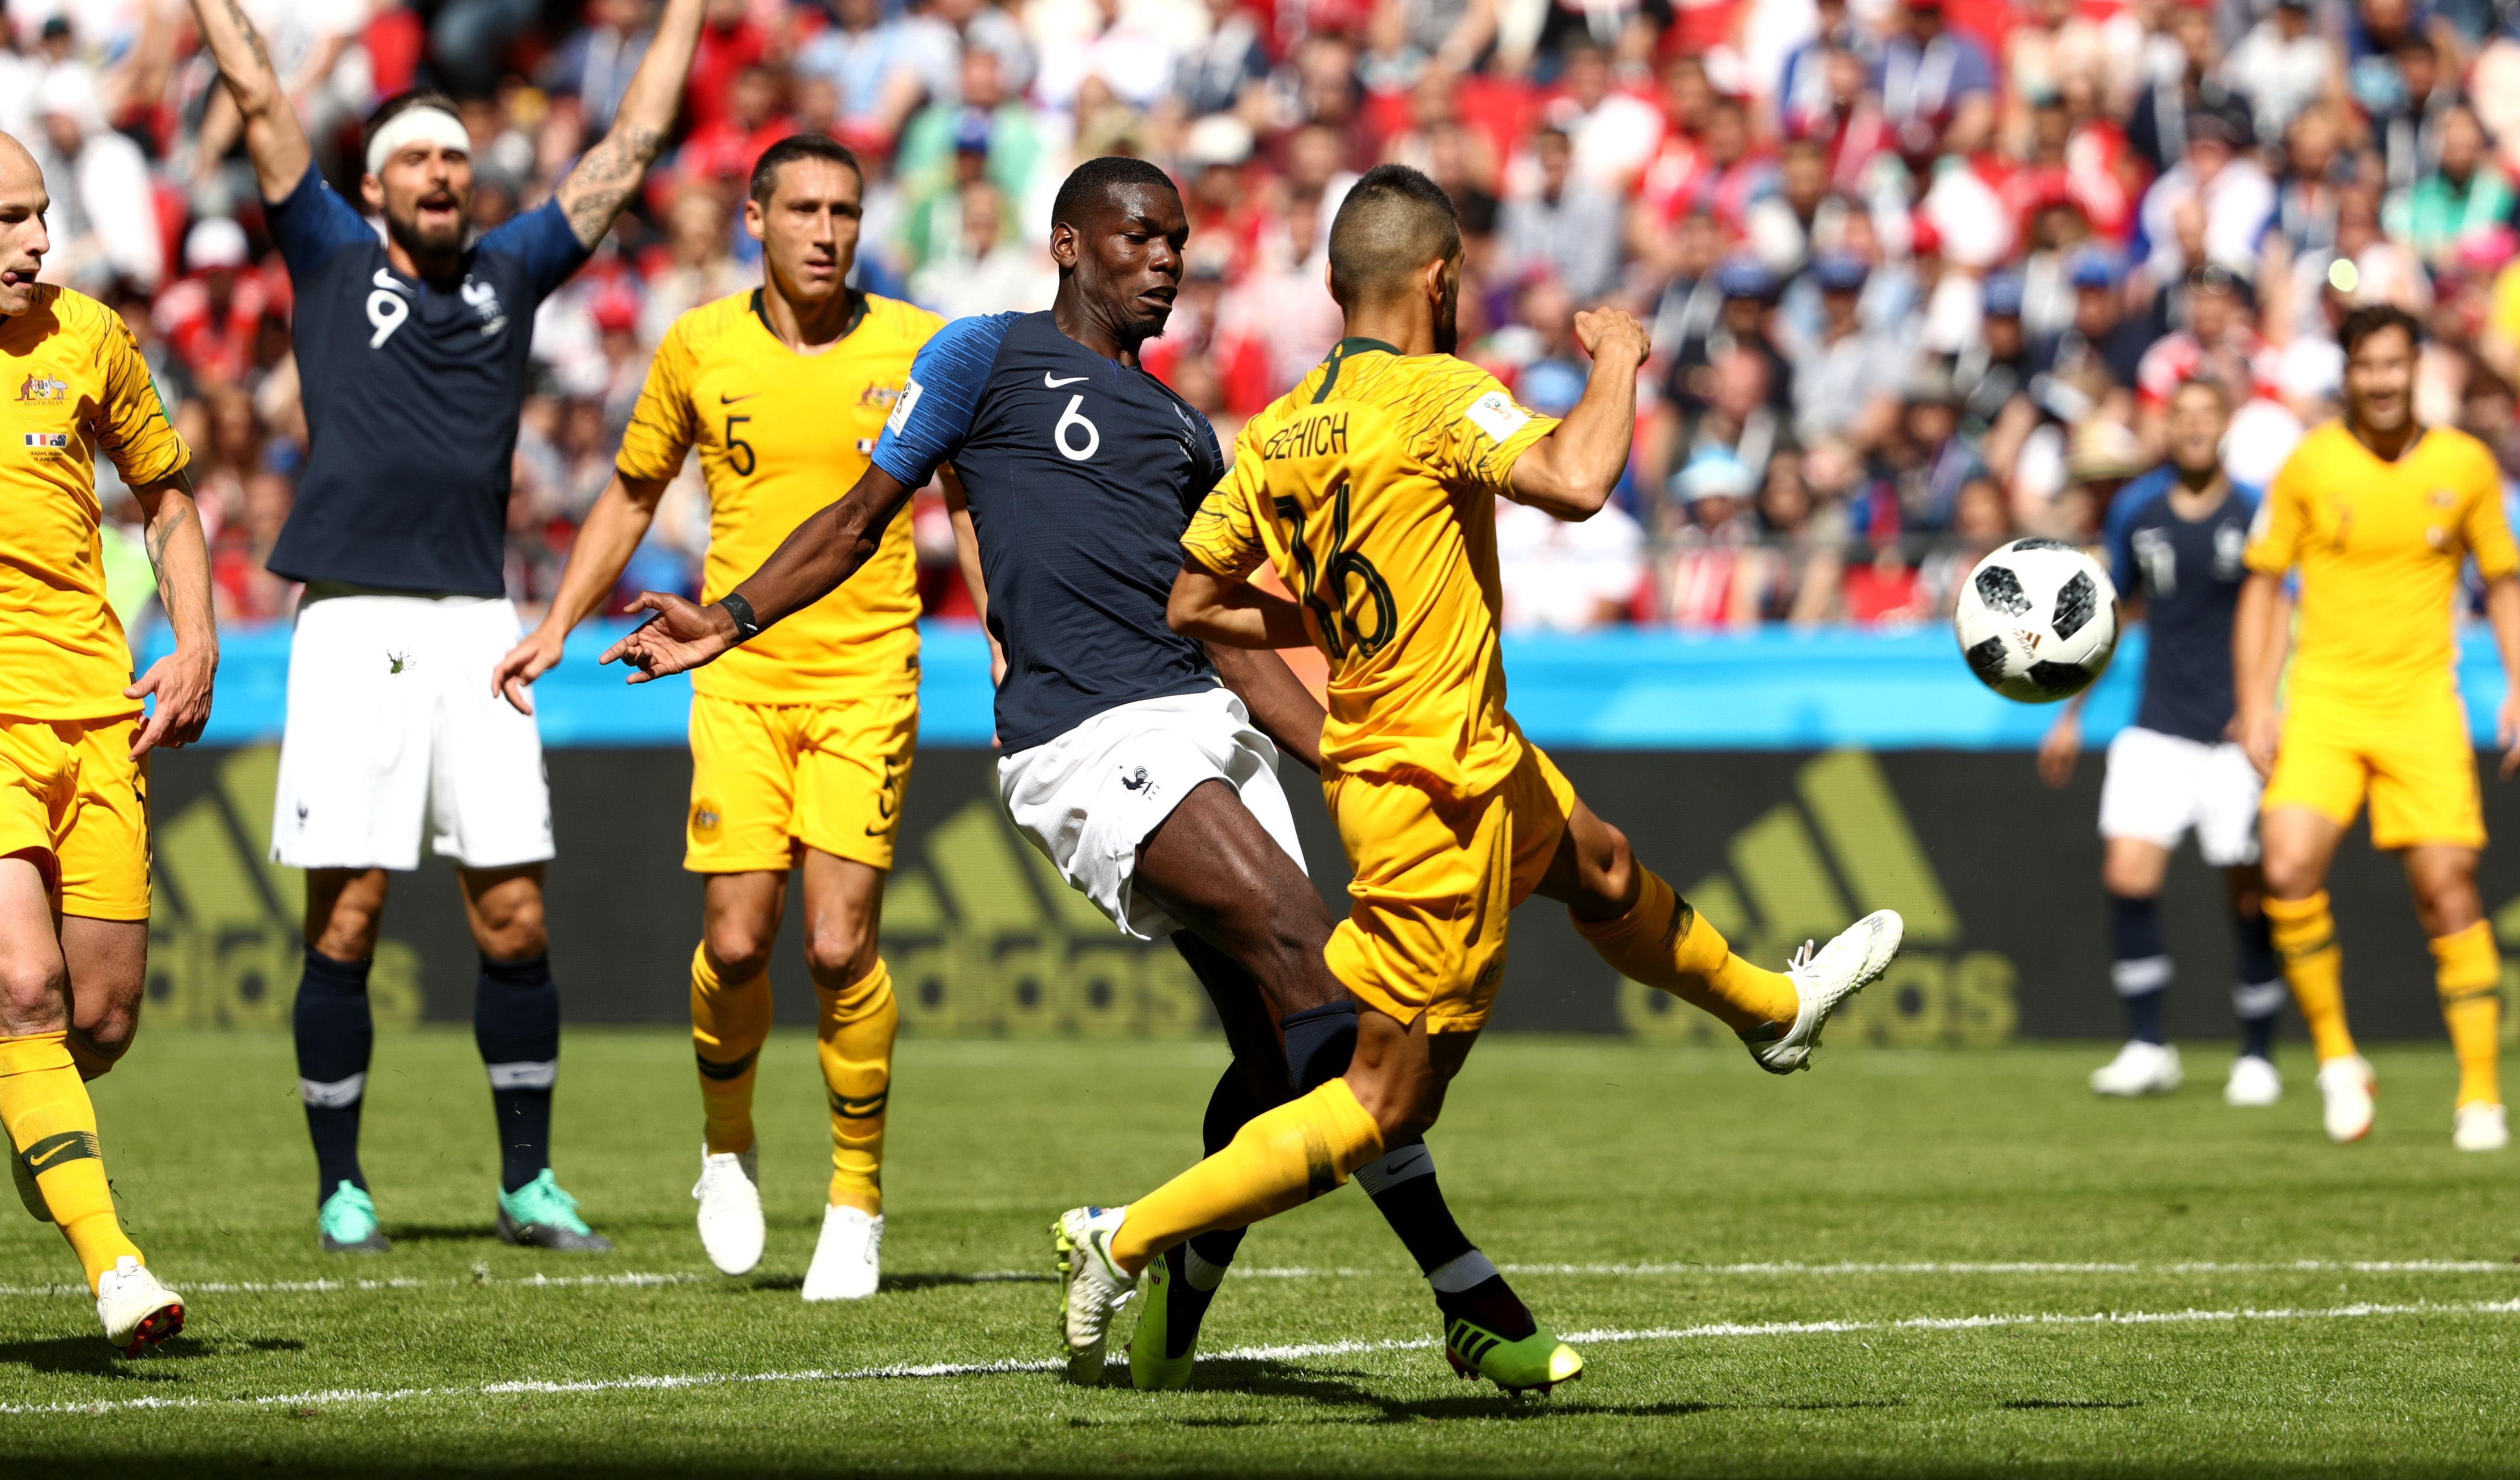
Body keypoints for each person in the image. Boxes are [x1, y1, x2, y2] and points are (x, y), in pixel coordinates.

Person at [604, 158, 1576, 1394]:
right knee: (1313, 965)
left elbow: (1225, 631)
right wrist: (728, 617)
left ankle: (1174, 1272)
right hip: (1086, 739)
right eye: (1137, 237)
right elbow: (859, 517)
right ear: (1068, 244)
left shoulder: (1184, 429)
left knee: (1286, 1049)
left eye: (1176, 240)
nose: (1164, 259)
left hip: (1202, 727)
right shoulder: (982, 357)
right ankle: (1463, 1291)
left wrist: (1344, 752)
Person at [1064, 165, 1902, 1393]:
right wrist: (1618, 357)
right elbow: (1573, 481)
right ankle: (1126, 1240)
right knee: (1382, 1102)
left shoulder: (1284, 424)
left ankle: (1774, 1015)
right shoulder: (1438, 394)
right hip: (1431, 788)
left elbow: (1193, 600)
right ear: (1439, 278)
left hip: (1458, 758)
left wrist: (1341, 621)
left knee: (1600, 863)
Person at [185, 0, 708, 1253]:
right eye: (419, 158)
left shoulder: (510, 269)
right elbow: (259, 94)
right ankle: (341, 1184)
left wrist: (685, 9)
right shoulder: (324, 250)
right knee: (349, 913)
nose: (443, 175)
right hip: (352, 618)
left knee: (512, 916)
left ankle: (525, 1181)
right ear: (371, 186)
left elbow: (630, 144)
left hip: (481, 618)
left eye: (457, 161)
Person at [491, 135, 940, 1300]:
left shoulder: (916, 344)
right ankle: (727, 1143)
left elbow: (975, 502)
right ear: (755, 217)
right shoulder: (699, 344)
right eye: (802, 208)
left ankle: (854, 1200)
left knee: (837, 946)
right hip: (734, 672)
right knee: (737, 941)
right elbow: (635, 489)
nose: (826, 231)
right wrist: (558, 621)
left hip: (867, 675)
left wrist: (1002, 632)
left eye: (844, 209)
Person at [0, 124, 217, 1351]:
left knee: (103, 1021)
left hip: (93, 715)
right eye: (9, 223)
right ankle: (116, 1264)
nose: (39, 245)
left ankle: (48, 1132)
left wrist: (194, 642)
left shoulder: (88, 336)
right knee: (22, 987)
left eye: (44, 218)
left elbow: (169, 497)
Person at [2235, 304, 2520, 1150]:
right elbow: (2261, 584)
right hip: (2323, 698)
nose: (2382, 381)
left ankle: (2477, 1094)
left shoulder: (2463, 465)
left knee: (2446, 892)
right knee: (2283, 866)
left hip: (2420, 704)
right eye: (2366, 366)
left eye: (2395, 365)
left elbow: (2502, 581)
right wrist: (2256, 699)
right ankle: (2335, 1057)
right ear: (2346, 372)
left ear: (2415, 367)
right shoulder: (2308, 465)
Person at [2040, 379, 2284, 1105]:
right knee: (2127, 878)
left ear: (2226, 424)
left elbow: (2283, 611)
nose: (2195, 428)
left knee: (2247, 894)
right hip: (2157, 725)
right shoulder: (2136, 509)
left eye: (2208, 415)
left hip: (2234, 729)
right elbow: (2108, 616)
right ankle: (2148, 1046)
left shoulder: (2255, 511)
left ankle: (2258, 1054)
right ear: (2166, 428)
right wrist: (2069, 713)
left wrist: (2266, 707)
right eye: (2182, 417)